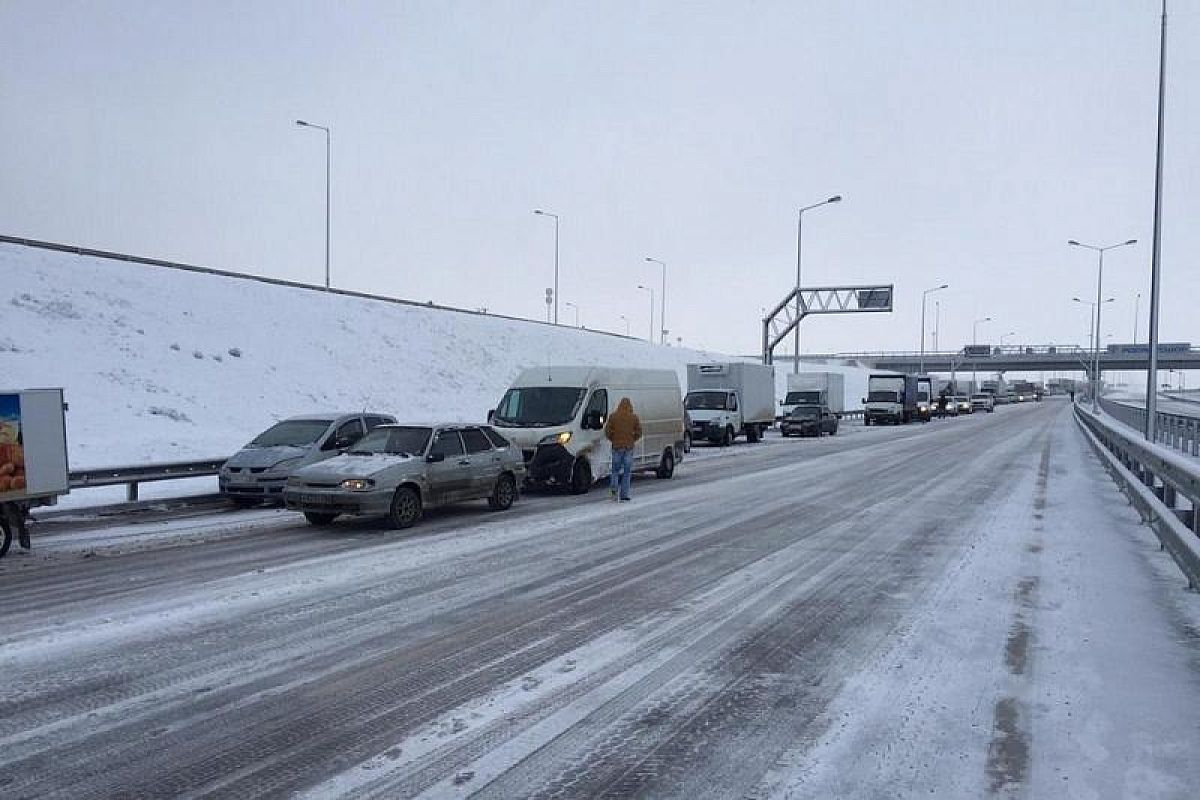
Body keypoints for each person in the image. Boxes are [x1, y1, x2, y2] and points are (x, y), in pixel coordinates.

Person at [604, 397, 642, 502]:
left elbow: (607, 431)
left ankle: (614, 492)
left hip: (616, 447)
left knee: (615, 471)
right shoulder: (634, 418)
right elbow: (639, 432)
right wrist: (632, 439)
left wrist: (613, 439)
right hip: (629, 447)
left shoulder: (613, 417)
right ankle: (624, 494)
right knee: (627, 472)